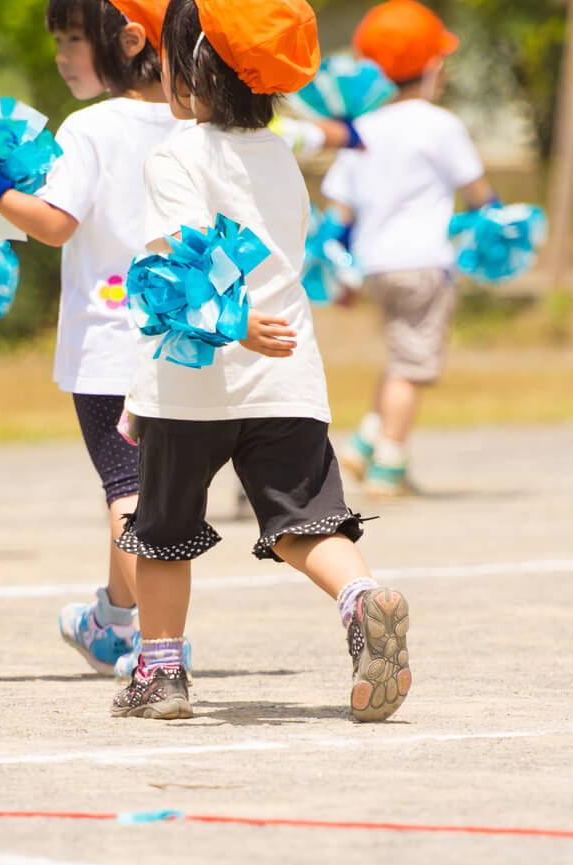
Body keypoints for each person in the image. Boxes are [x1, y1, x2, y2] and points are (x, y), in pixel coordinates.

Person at [110, 0, 412, 722]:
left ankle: (161, 674)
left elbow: (182, 262)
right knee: (310, 522)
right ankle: (362, 598)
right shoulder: (280, 154)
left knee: (162, 530)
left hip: (191, 383)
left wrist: (232, 325)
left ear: (191, 69)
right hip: (288, 378)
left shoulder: (177, 155)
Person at [0, 0, 180, 677]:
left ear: (130, 40)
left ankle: (162, 647)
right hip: (182, 340)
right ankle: (112, 620)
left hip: (109, 347)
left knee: (127, 492)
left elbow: (52, 224)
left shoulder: (91, 126)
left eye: (74, 39)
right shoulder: (196, 120)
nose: (62, 55)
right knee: (140, 488)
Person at [324, 0, 494, 498]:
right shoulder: (439, 124)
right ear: (433, 66)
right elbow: (478, 189)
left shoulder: (363, 126)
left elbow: (340, 206)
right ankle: (390, 464)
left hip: (377, 265)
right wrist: (496, 218)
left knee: (401, 354)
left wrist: (338, 270)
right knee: (413, 365)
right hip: (424, 262)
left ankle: (367, 441)